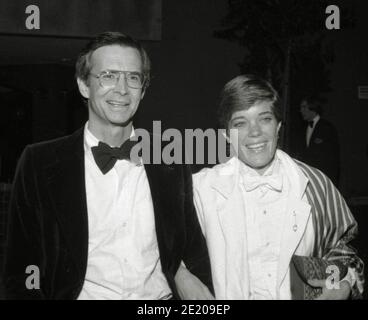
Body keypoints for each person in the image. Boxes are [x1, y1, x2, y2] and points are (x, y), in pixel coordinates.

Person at [3, 31, 213, 300]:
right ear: (83, 85)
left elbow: (193, 251)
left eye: (133, 77)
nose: (122, 89)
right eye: (108, 76)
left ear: (143, 89)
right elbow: (22, 269)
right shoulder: (39, 162)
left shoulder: (169, 159)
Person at [193, 75, 364, 299]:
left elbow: (344, 253)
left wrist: (339, 286)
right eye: (240, 123)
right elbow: (171, 257)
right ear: (226, 134)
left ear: (278, 126)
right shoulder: (202, 190)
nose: (255, 132)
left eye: (264, 119)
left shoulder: (316, 185)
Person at [299, 97, 340, 186]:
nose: (301, 110)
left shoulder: (327, 127)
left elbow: (333, 157)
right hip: (308, 176)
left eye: (304, 107)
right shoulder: (302, 129)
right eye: (301, 107)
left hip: (323, 177)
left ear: (312, 108)